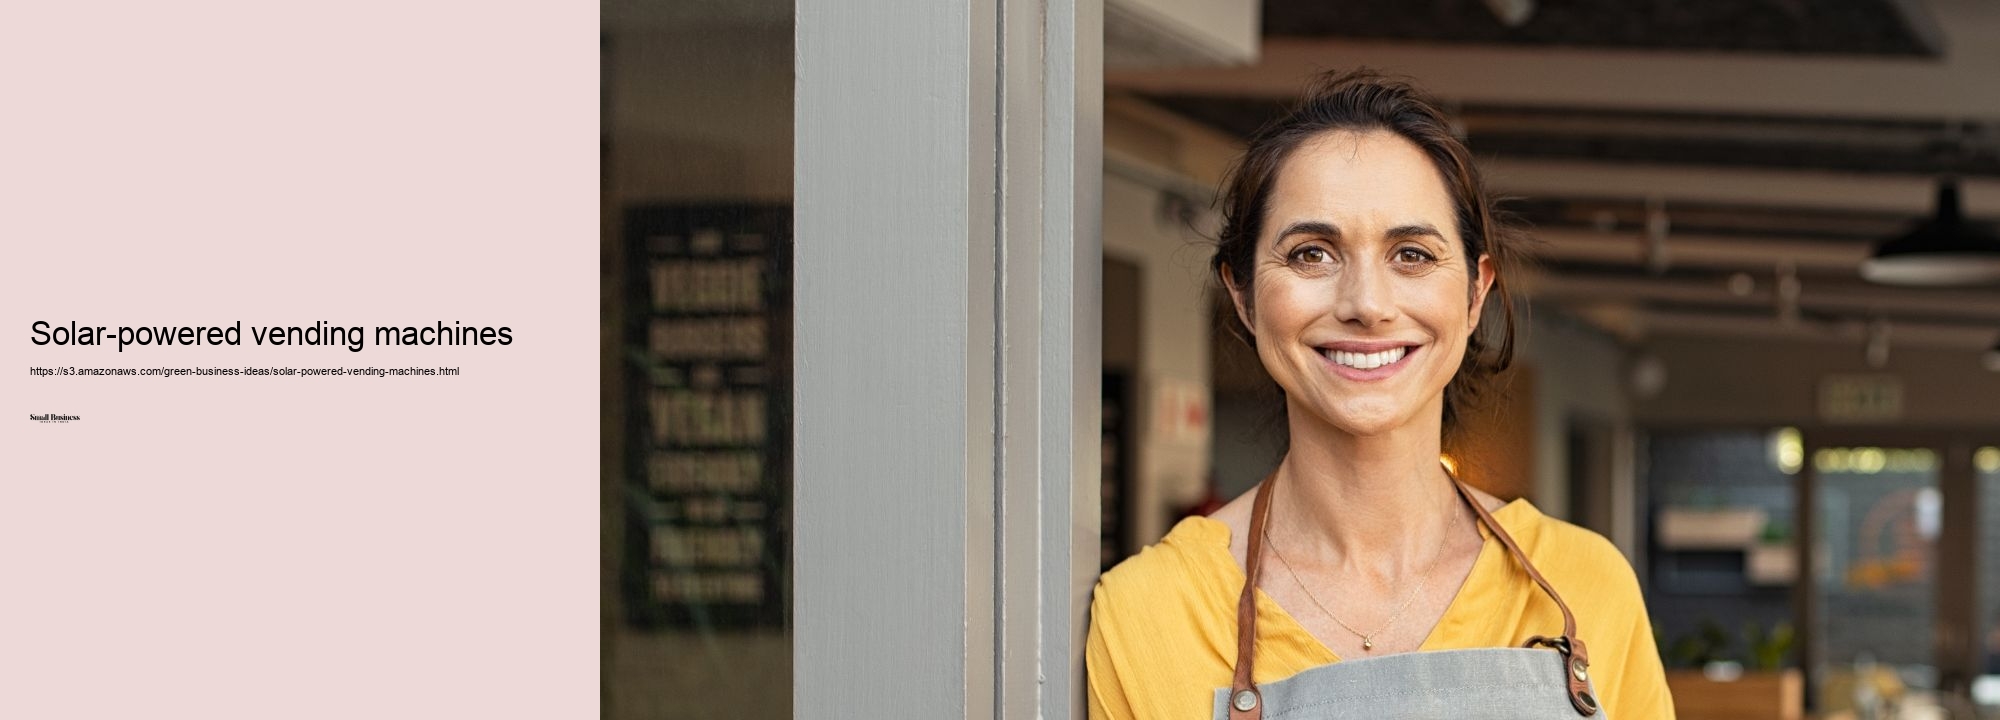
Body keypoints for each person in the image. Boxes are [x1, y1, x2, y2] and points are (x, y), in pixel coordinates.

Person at [1085, 70, 1674, 719]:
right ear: (1243, 294)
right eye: (1311, 254)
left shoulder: (1588, 583)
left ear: (1475, 293)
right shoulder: (1151, 612)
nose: (1367, 304)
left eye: (1412, 254)